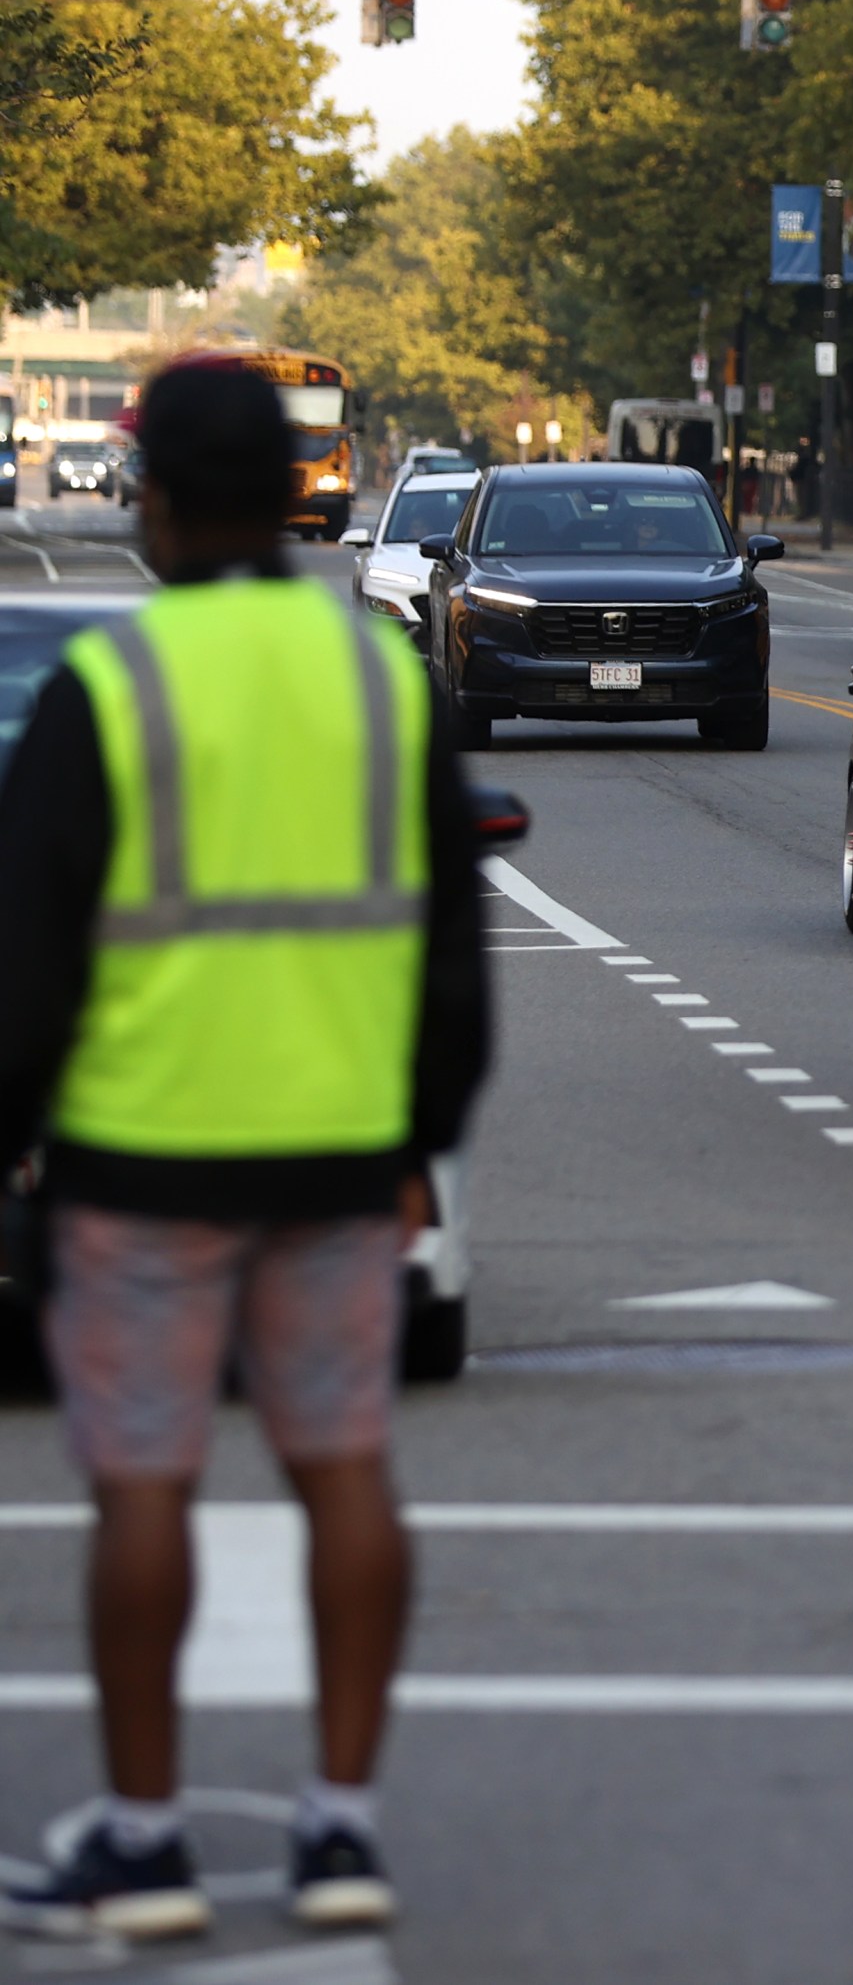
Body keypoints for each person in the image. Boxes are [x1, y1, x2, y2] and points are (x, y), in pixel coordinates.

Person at [0, 355, 489, 1944]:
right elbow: (451, 953)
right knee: (345, 1470)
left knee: (144, 1485)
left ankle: (145, 1843)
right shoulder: (383, 683)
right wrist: (421, 1138)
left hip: (141, 1157)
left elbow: (28, 965)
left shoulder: (111, 690)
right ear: (291, 497)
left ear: (152, 499)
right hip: (344, 1155)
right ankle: (342, 1827)